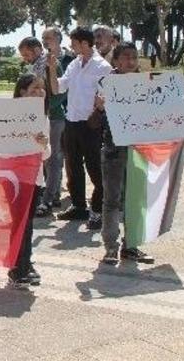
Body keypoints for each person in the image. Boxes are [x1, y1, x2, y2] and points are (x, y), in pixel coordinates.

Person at [0, 74, 51, 289]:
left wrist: (43, 144)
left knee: (28, 224)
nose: (39, 92)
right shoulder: (3, 113)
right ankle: (17, 267)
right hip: (10, 178)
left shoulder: (43, 117)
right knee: (17, 224)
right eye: (34, 88)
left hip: (34, 179)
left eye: (42, 89)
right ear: (22, 92)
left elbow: (46, 155)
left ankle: (24, 263)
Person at [94, 42, 154, 265]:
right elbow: (93, 123)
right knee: (112, 201)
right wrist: (99, 108)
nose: (130, 62)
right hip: (113, 150)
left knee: (135, 199)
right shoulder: (106, 84)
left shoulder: (148, 83)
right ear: (116, 61)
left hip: (139, 150)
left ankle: (132, 246)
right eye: (125, 57)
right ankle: (111, 247)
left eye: (133, 57)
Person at [48, 26, 112, 230]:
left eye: (75, 43)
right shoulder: (74, 64)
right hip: (72, 122)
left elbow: (108, 96)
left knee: (95, 169)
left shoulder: (102, 67)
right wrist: (51, 69)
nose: (72, 46)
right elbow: (58, 87)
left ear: (85, 43)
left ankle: (97, 210)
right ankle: (78, 206)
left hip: (91, 124)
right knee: (73, 167)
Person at [19, 37, 66, 216]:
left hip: (53, 117)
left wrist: (45, 108)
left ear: (38, 49)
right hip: (38, 116)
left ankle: (48, 199)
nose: (25, 58)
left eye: (27, 54)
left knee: (52, 159)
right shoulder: (36, 67)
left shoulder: (51, 63)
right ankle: (49, 195)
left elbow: (60, 92)